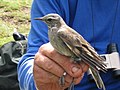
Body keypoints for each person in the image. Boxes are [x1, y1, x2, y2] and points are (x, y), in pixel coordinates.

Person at [18, 0, 120, 90]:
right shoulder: (52, 10)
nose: (45, 21)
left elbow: (83, 50)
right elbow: (32, 57)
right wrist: (40, 79)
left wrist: (94, 61)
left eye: (49, 20)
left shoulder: (62, 33)